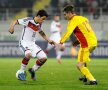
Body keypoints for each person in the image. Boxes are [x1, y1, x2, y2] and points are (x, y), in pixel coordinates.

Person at [9, 9, 57, 81]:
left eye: (44, 19)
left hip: (32, 44)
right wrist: (12, 27)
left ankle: (33, 70)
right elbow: (15, 21)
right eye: (43, 19)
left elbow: (41, 33)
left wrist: (49, 40)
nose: (43, 21)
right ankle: (21, 72)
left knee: (44, 58)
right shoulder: (28, 20)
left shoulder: (39, 23)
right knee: (28, 54)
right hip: (24, 42)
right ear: (38, 16)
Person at [59, 5, 98, 85]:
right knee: (82, 62)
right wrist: (78, 41)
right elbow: (85, 32)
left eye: (65, 14)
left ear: (69, 13)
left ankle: (92, 80)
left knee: (79, 65)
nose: (65, 16)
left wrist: (60, 42)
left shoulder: (72, 21)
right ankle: (85, 76)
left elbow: (68, 33)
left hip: (86, 45)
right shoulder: (83, 18)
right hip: (93, 41)